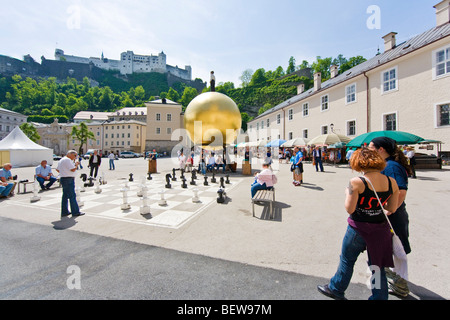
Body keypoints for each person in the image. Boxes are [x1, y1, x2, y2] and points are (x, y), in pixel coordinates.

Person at [318, 148, 400, 300]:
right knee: (377, 266)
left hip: (358, 228)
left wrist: (347, 193)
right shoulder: (391, 182)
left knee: (347, 260)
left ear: (358, 163)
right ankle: (379, 297)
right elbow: (391, 208)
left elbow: (350, 209)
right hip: (380, 229)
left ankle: (336, 288)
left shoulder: (356, 182)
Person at [369, 137, 412, 297]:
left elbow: (401, 192)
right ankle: (393, 280)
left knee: (397, 251)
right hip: (390, 215)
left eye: (372, 147)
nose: (369, 149)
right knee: (389, 250)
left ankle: (400, 286)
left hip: (393, 217)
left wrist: (389, 210)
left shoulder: (392, 166)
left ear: (381, 149)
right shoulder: (385, 165)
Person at [56, 150, 84, 217]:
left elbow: (57, 169)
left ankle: (64, 211)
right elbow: (73, 169)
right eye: (75, 155)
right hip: (68, 179)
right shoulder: (67, 160)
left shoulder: (62, 160)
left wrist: (64, 172)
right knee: (72, 196)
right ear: (70, 154)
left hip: (63, 178)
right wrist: (76, 165)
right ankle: (75, 211)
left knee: (65, 196)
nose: (75, 157)